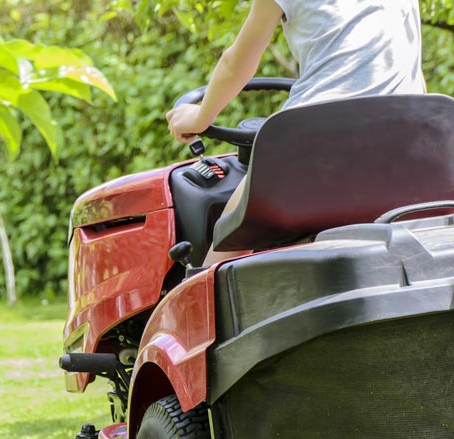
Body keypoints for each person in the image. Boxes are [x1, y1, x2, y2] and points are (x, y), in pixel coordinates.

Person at [166, 0, 426, 265]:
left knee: (229, 234)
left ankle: (203, 292)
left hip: (318, 143)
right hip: (412, 146)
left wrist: (200, 117)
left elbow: (236, 64)